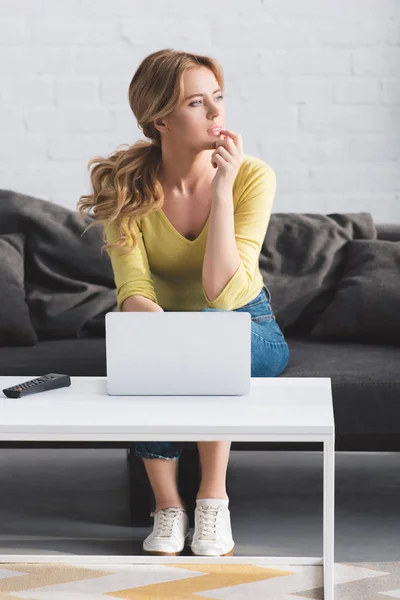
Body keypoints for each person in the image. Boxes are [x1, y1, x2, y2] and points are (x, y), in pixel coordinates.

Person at [77, 48, 290, 558]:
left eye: (218, 99)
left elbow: (225, 291)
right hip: (159, 326)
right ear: (160, 119)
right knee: (159, 352)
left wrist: (222, 190)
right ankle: (167, 507)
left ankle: (212, 498)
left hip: (248, 326)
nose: (217, 115)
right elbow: (134, 291)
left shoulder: (253, 177)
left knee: (208, 334)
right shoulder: (124, 184)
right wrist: (167, 343)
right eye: (198, 103)